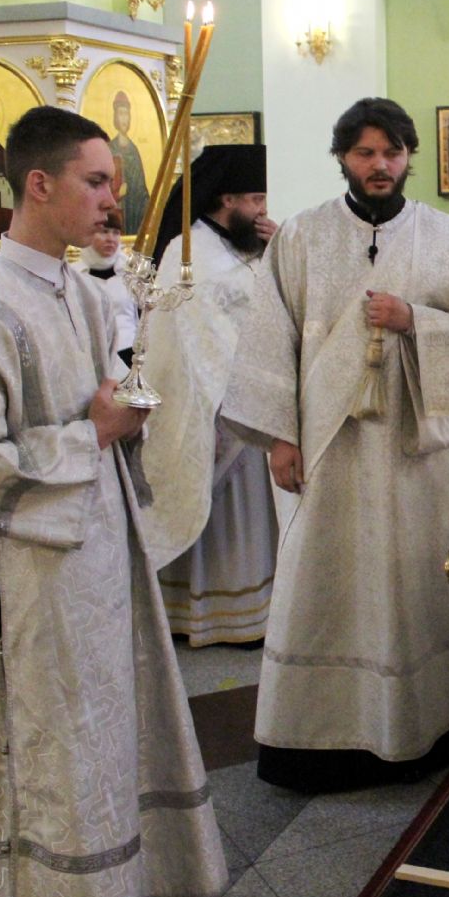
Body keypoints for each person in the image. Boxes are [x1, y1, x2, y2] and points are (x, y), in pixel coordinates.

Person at [0, 106, 225, 897]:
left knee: (103, 745)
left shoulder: (85, 296)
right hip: (32, 587)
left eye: (115, 184)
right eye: (97, 181)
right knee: (55, 753)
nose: (111, 200)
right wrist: (93, 430)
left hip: (99, 566)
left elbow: (113, 417)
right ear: (38, 182)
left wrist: (139, 408)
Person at [223, 98, 449, 792]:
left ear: (409, 158)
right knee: (326, 580)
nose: (381, 165)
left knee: (413, 578)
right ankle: (317, 740)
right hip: (329, 444)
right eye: (366, 152)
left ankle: (421, 732)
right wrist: (280, 437)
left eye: (393, 152)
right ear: (343, 156)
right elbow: (269, 339)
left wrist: (415, 319)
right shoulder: (303, 237)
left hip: (413, 450)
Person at [145, 144, 280, 649]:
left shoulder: (243, 247)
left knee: (247, 519)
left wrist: (278, 251)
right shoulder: (190, 252)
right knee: (212, 511)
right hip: (211, 410)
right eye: (256, 199)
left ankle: (251, 610)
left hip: (251, 406)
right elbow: (199, 336)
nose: (263, 210)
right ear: (227, 199)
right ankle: (205, 613)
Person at [73, 208, 138, 360]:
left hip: (131, 353)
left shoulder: (130, 272)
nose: (111, 238)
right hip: (94, 356)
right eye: (104, 231)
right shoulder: (74, 275)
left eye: (116, 233)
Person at [110, 90, 150, 235]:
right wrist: (117, 193)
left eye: (126, 114)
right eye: (121, 114)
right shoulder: (110, 149)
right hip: (117, 214)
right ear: (115, 116)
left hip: (134, 211)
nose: (124, 119)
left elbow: (141, 187)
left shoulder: (134, 150)